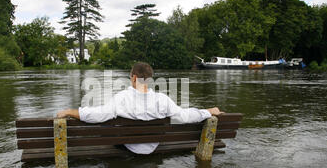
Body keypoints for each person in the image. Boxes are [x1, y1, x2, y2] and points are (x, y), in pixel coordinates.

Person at [56, 62, 223, 155]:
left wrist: (69, 111)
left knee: (107, 119)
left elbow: (97, 115)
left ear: (134, 77)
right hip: (153, 145)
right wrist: (208, 111)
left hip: (130, 146)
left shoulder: (122, 98)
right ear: (149, 79)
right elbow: (185, 116)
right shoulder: (162, 99)